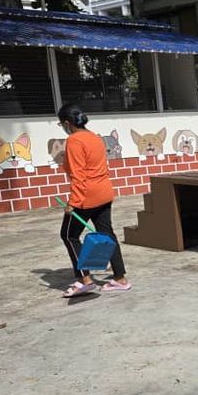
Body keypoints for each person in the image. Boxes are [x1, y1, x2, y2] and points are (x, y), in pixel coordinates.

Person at [57, 103, 131, 297]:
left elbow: (79, 176)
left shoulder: (74, 140)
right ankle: (120, 278)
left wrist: (72, 203)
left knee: (68, 235)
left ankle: (84, 279)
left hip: (86, 197)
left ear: (67, 123)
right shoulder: (95, 137)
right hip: (104, 192)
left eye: (61, 125)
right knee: (107, 234)